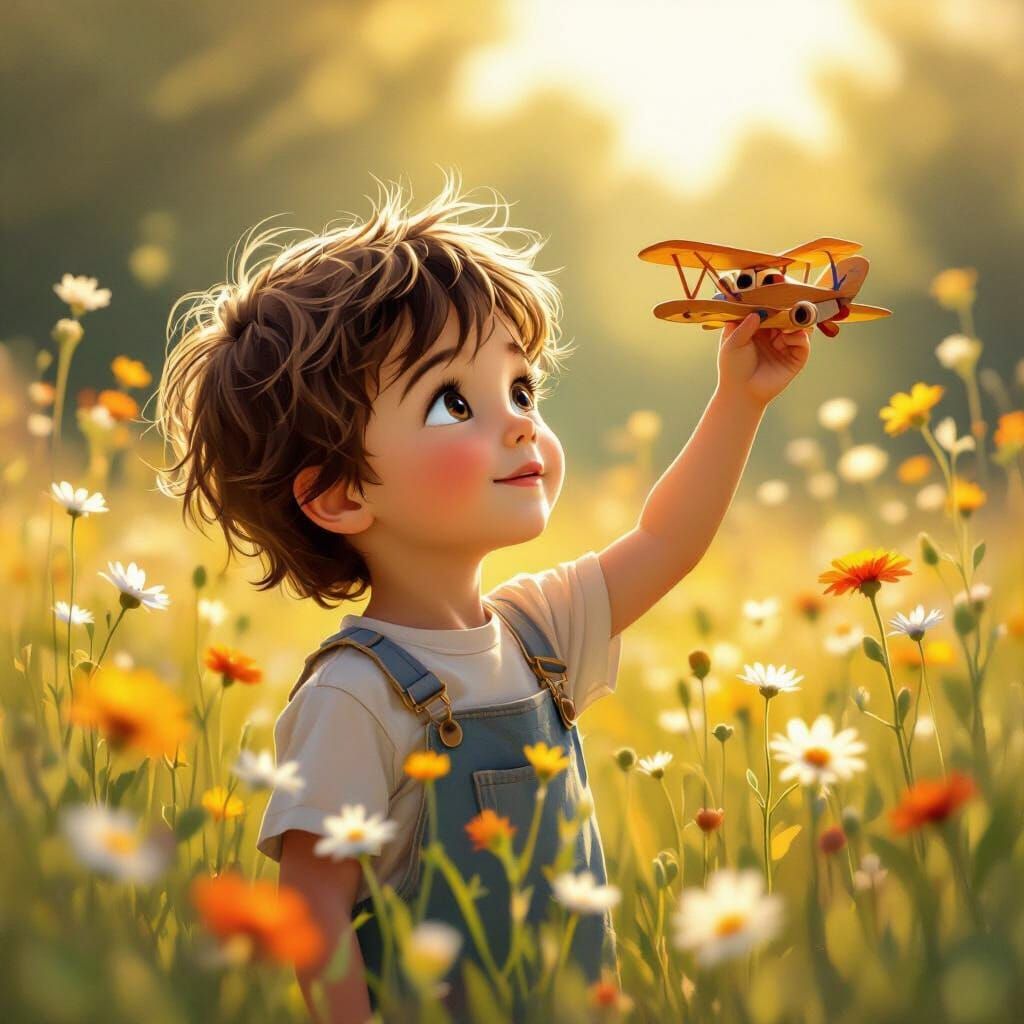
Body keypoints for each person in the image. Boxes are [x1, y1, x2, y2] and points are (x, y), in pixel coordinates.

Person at [155, 169, 810, 1022]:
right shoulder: (353, 696)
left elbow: (666, 543)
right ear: (341, 496)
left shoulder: (538, 632)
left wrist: (740, 399)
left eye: (522, 389)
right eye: (452, 403)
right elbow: (315, 914)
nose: (520, 421)